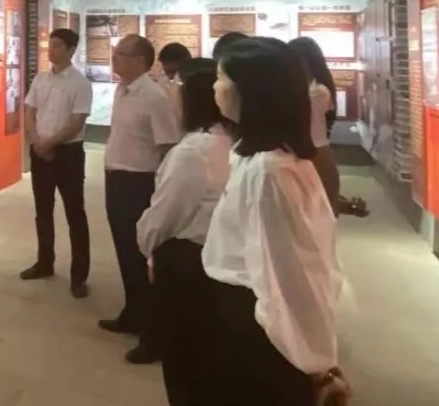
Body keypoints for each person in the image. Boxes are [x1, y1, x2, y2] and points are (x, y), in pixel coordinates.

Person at [202, 37, 350, 406]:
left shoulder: (269, 172)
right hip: (240, 305)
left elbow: (290, 271)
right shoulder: (257, 156)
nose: (215, 87)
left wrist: (316, 362)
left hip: (257, 319)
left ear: (252, 92)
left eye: (222, 78)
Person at [137, 57, 233, 404]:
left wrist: (149, 250)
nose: (171, 98)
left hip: (188, 265)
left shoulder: (193, 152)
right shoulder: (232, 143)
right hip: (218, 263)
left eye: (178, 91)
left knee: (185, 365)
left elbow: (163, 217)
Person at [99, 33, 180, 364]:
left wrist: (161, 190)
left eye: (121, 53)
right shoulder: (122, 90)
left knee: (141, 257)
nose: (114, 57)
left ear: (140, 61)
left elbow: (167, 146)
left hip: (139, 182)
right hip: (116, 178)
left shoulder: (154, 97)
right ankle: (132, 314)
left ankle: (152, 335)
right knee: (123, 250)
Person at [21, 28, 93, 298]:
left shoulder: (80, 83)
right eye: (50, 45)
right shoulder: (41, 79)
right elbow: (29, 112)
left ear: (71, 50)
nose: (51, 50)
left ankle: (79, 276)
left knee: (75, 214)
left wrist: (50, 143)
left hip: (68, 154)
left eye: (58, 46)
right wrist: (36, 142)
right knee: (43, 210)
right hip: (40, 151)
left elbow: (77, 122)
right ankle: (44, 262)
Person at [288, 37, 342, 213]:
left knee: (317, 214)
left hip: (316, 156)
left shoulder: (317, 91)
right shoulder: (309, 88)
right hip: (306, 154)